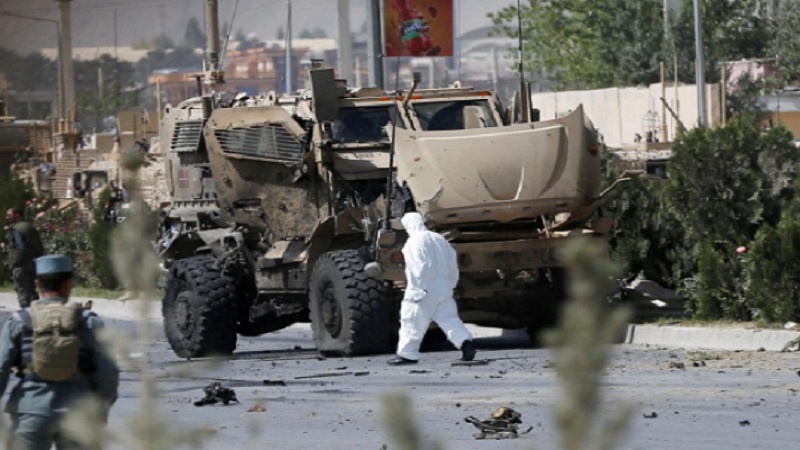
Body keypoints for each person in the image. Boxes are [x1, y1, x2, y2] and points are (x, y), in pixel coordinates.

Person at [0, 255, 119, 450]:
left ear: (38, 283)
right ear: (68, 284)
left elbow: (1, 366)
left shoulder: (19, 321)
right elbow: (108, 371)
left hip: (31, 410)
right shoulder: (88, 321)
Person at [388, 212, 477, 365]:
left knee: (411, 320)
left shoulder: (413, 241)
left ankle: (407, 354)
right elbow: (452, 264)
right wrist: (450, 285)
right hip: (443, 287)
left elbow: (418, 267)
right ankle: (466, 344)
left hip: (423, 287)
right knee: (449, 319)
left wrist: (417, 289)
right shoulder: (440, 239)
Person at [6, 208, 44, 308]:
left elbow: (21, 246)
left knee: (22, 290)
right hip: (32, 262)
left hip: (20, 264)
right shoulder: (29, 226)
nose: (8, 217)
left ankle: (25, 316)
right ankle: (37, 313)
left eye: (10, 215)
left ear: (17, 214)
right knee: (32, 290)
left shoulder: (17, 228)